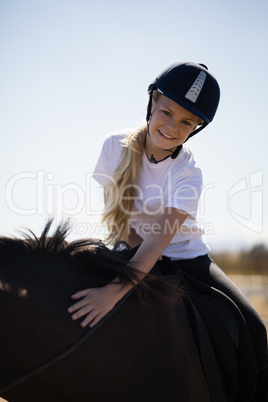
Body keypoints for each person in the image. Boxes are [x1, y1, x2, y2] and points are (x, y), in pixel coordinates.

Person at [68, 62, 268, 397]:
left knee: (255, 329)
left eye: (186, 121)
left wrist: (114, 292)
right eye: (167, 112)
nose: (173, 126)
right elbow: (122, 220)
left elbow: (160, 239)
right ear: (152, 103)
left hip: (187, 258)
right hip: (129, 246)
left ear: (196, 127)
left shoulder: (189, 174)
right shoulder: (112, 147)